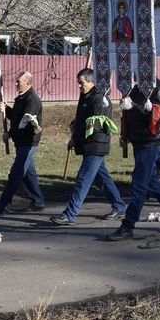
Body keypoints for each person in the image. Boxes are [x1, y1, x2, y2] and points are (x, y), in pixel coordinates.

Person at [107, 79, 160, 241]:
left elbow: (158, 113)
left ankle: (127, 226)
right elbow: (130, 115)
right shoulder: (133, 87)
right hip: (139, 140)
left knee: (139, 184)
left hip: (152, 141)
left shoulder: (159, 87)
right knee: (151, 181)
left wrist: (133, 105)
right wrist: (126, 136)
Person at [50, 68, 126, 225]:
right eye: (78, 83)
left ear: (92, 81)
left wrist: (79, 135)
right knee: (101, 178)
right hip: (88, 144)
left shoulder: (100, 98)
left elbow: (96, 123)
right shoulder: (86, 96)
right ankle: (119, 206)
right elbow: (81, 119)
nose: (79, 86)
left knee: (82, 179)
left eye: (81, 83)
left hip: (96, 145)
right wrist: (74, 136)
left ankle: (70, 214)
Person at [0, 71, 45, 213]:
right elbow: (16, 116)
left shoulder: (32, 100)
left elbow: (24, 123)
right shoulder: (22, 98)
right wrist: (6, 110)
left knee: (16, 173)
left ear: (27, 83)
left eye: (18, 81)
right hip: (21, 141)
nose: (15, 84)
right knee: (28, 173)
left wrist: (9, 134)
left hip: (28, 142)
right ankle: (38, 201)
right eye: (15, 81)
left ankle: (3, 204)